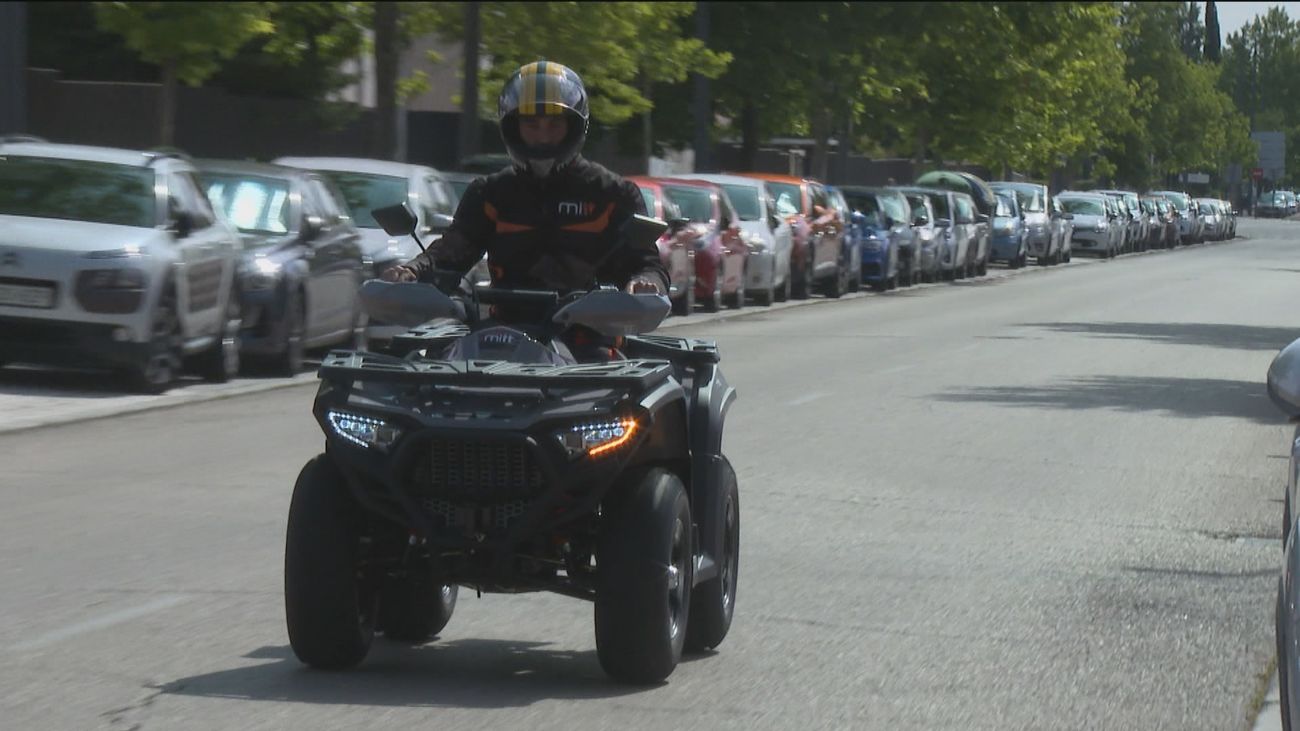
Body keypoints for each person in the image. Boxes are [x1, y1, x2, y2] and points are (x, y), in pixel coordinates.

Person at [381, 61, 667, 299]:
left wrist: (646, 282)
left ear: (575, 127)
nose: (543, 136)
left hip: (591, 340)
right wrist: (414, 269)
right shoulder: (489, 193)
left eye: (554, 124)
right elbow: (454, 250)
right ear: (512, 127)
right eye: (531, 124)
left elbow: (649, 264)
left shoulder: (614, 194)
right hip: (500, 333)